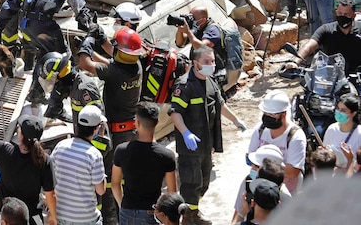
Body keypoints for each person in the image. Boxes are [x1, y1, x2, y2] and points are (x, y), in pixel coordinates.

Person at [0, 0, 90, 120]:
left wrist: (0, 22)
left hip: (25, 24)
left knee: (45, 54)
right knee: (64, 60)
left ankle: (36, 93)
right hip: (43, 24)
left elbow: (14, 1)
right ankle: (56, 108)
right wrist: (85, 17)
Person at [169, 47, 246, 225]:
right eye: (206, 62)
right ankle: (188, 219)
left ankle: (193, 213)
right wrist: (186, 133)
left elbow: (220, 104)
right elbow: (175, 112)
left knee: (203, 182)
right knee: (191, 184)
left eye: (212, 61)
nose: (211, 65)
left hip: (206, 145)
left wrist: (236, 121)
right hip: (190, 147)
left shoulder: (211, 81)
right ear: (195, 63)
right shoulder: (184, 85)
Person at [78, 27, 146, 225]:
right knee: (127, 176)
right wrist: (101, 37)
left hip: (116, 136)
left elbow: (85, 63)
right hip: (132, 131)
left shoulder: (114, 72)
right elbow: (112, 58)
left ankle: (113, 219)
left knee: (110, 179)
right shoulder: (136, 66)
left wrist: (87, 44)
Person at [0, 93, 57, 225]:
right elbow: (50, 193)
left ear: (20, 135)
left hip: (6, 216)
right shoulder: (44, 160)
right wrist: (53, 216)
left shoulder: (4, 151)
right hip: (33, 217)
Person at [111, 102, 177, 225]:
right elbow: (172, 193)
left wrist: (123, 205)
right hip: (152, 213)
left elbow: (115, 184)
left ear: (137, 123)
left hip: (127, 211)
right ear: (157, 123)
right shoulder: (166, 155)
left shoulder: (122, 150)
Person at [50, 104, 107, 225]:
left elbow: (50, 177)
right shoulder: (95, 155)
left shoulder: (60, 146)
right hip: (86, 219)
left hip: (60, 216)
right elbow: (101, 190)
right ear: (97, 129)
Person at [247, 90, 308, 193]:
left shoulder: (295, 136)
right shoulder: (260, 130)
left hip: (287, 190)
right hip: (262, 187)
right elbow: (250, 157)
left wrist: (264, 167)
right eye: (265, 113)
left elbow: (293, 172)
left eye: (272, 115)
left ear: (283, 114)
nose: (267, 117)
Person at [174, 5, 242, 88]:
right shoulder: (197, 28)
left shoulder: (213, 30)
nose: (191, 20)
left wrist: (188, 32)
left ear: (203, 20)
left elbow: (202, 48)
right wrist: (180, 29)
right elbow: (180, 43)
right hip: (200, 70)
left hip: (212, 71)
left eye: (193, 18)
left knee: (211, 96)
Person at [294, 0, 361, 74]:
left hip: (357, 77)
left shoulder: (359, 30)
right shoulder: (326, 29)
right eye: (340, 13)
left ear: (353, 15)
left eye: (346, 14)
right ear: (336, 12)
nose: (342, 16)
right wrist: (295, 62)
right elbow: (309, 46)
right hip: (331, 77)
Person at [232, 148, 291, 225]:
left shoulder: (286, 199)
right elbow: (235, 215)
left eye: (256, 166)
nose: (252, 168)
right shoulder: (248, 182)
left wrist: (242, 214)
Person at [323, 94, 361, 171]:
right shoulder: (331, 129)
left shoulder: (359, 134)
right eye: (338, 109)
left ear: (354, 113)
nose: (339, 112)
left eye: (343, 110)